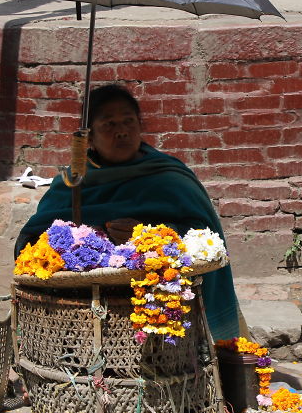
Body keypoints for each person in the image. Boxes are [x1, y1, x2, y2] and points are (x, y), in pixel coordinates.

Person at [16, 84, 243, 341]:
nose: (121, 132)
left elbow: (203, 234)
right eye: (109, 125)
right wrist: (81, 239)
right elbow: (35, 238)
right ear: (88, 137)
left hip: (163, 306)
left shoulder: (169, 177)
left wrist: (149, 236)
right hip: (85, 312)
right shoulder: (72, 184)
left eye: (128, 122)